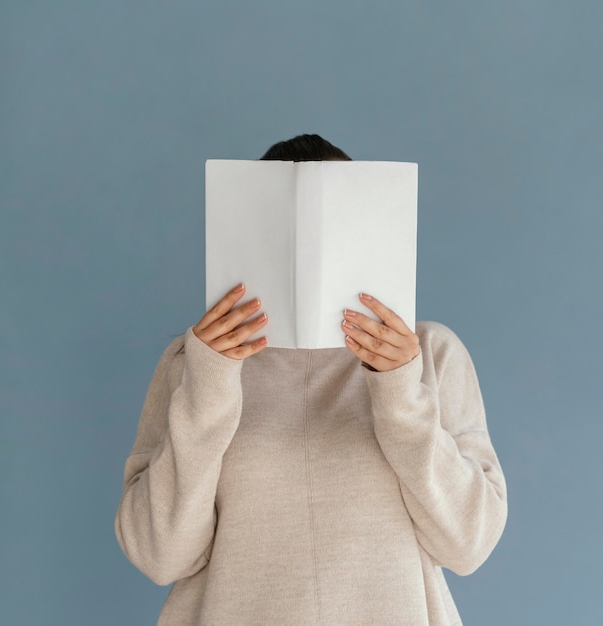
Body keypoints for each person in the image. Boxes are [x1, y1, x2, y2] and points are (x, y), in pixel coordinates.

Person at [115, 134, 507, 625]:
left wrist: (400, 391)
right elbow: (160, 555)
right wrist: (209, 381)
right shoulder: (190, 362)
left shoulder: (429, 353)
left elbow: (469, 543)